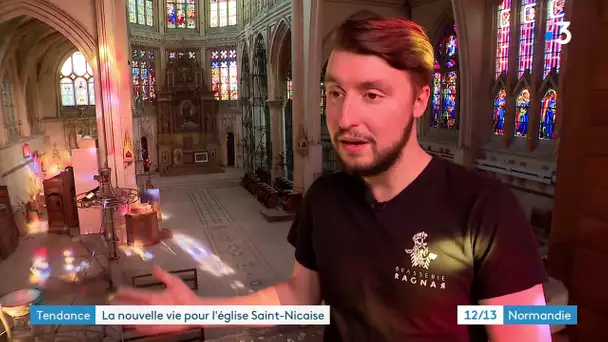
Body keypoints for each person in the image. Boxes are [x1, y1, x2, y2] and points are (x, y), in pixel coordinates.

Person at [114, 17, 550, 342]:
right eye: (335, 93)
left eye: (372, 94)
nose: (345, 117)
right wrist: (201, 309)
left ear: (420, 100)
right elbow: (298, 300)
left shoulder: (487, 211)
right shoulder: (324, 198)